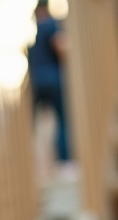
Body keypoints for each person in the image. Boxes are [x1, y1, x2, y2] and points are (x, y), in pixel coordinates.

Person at [28, 0, 72, 166]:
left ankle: (39, 164)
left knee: (38, 125)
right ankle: (64, 160)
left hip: (37, 83)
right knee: (62, 120)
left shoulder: (35, 36)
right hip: (53, 79)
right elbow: (60, 47)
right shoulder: (51, 26)